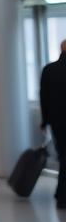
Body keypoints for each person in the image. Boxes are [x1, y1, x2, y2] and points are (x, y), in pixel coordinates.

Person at [40, 38, 66, 209]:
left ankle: (60, 194)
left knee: (63, 156)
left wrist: (44, 120)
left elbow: (44, 96)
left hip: (57, 122)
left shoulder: (49, 70)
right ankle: (62, 195)